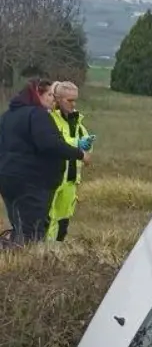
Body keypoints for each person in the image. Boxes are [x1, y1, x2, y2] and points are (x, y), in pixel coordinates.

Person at [0, 78, 89, 246]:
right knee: (32, 233)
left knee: (20, 227)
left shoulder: (8, 116)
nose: (52, 99)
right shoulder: (37, 114)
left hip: (8, 178)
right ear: (37, 94)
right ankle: (28, 268)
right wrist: (80, 154)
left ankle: (13, 261)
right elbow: (50, 144)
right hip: (31, 182)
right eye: (49, 94)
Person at [46, 81, 93, 242]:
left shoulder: (78, 123)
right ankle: (42, 256)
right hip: (52, 179)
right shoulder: (49, 120)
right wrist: (77, 147)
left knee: (63, 220)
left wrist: (87, 145)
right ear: (58, 99)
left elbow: (86, 153)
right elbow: (53, 145)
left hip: (71, 181)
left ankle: (57, 257)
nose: (73, 104)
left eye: (75, 100)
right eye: (69, 100)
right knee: (47, 219)